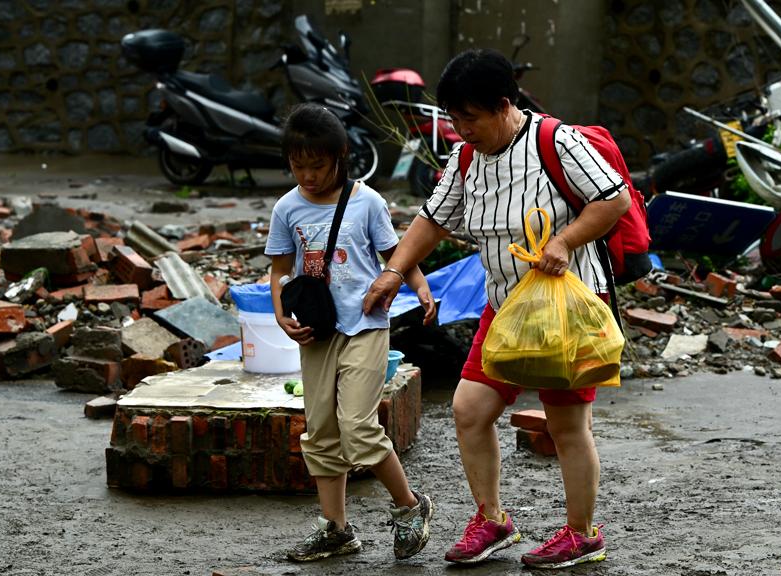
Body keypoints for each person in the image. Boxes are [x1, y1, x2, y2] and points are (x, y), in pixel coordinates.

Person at [363, 49, 630, 569]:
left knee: (566, 425)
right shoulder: (466, 159)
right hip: (505, 305)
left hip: (567, 308)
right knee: (470, 409)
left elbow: (614, 199)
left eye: (470, 118)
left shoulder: (556, 141)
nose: (462, 130)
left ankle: (582, 534)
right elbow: (432, 219)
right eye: (454, 119)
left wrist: (566, 240)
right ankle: (492, 520)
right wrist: (394, 271)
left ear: (504, 105)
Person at [266, 103, 438, 563]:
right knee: (320, 431)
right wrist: (282, 316)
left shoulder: (367, 202)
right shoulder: (287, 207)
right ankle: (336, 529)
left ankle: (410, 507)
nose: (307, 175)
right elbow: (280, 270)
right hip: (315, 332)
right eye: (298, 166)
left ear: (341, 156)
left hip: (364, 325)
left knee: (358, 428)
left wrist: (420, 288)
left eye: (317, 165)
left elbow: (397, 254)